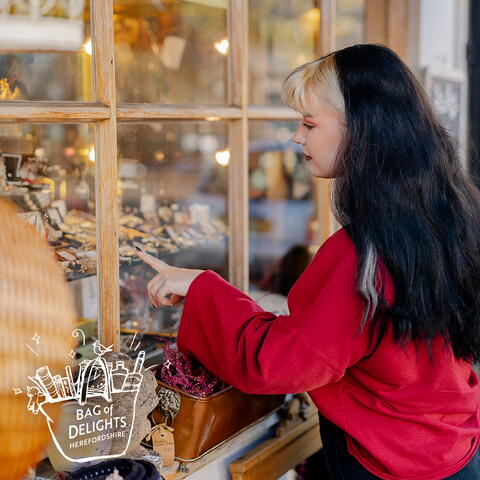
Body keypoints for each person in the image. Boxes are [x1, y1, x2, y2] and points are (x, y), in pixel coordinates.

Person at [136, 44, 480, 479]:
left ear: (362, 130)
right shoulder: (449, 211)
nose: (297, 136)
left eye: (309, 123)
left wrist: (204, 286)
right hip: (452, 446)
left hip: (390, 463)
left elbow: (281, 363)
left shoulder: (364, 253)